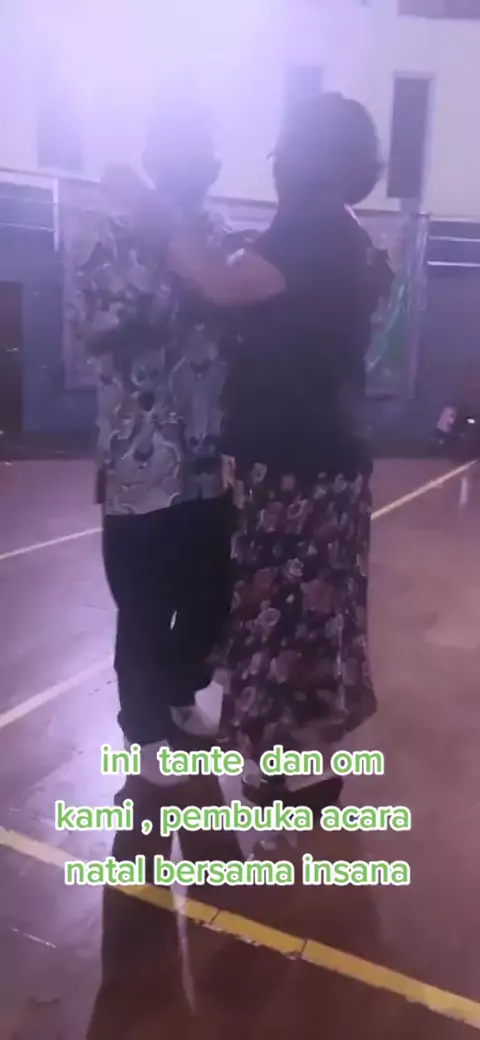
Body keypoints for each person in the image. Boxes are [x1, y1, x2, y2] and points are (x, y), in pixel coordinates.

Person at [168, 92, 393, 807]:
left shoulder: (310, 229)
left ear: (303, 156)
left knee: (273, 612)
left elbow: (219, 283)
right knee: (319, 616)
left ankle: (269, 770)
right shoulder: (346, 233)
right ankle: (313, 764)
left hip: (295, 461)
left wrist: (154, 212)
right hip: (334, 458)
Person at [82, 99, 235, 784]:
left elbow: (233, 311)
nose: (201, 162)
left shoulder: (216, 233)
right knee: (143, 606)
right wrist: (168, 271)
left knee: (211, 595)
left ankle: (178, 693)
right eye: (186, 147)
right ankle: (144, 733)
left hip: (206, 460)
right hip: (137, 459)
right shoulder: (109, 232)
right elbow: (96, 326)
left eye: (207, 149)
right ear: (153, 158)